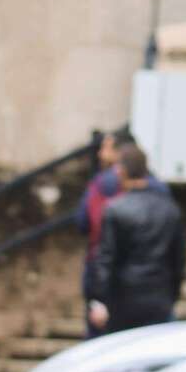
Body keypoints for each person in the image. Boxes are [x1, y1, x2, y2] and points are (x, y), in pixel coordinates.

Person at [85, 142, 186, 334]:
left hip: (124, 299)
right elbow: (178, 259)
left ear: (121, 171)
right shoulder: (169, 208)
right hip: (159, 296)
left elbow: (105, 258)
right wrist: (172, 294)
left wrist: (99, 300)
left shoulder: (115, 209)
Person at [71, 130, 127, 335]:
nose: (100, 154)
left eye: (105, 148)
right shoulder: (154, 186)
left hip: (101, 267)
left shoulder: (102, 183)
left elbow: (83, 221)